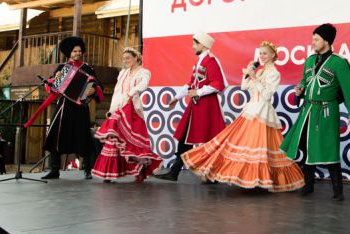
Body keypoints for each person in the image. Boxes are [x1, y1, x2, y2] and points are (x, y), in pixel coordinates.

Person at [182, 41, 304, 192]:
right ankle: (248, 178)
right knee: (241, 143)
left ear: (273, 55)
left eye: (265, 53)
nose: (262, 56)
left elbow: (267, 96)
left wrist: (255, 78)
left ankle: (259, 180)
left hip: (262, 112)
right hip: (251, 110)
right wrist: (248, 74)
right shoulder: (259, 71)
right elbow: (244, 87)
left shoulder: (274, 73)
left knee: (258, 146)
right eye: (260, 53)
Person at [280, 23, 350, 201]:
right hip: (308, 110)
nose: (313, 42)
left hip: (327, 111)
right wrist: (300, 89)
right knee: (308, 147)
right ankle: (308, 186)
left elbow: (348, 89)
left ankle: (338, 191)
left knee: (330, 148)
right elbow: (305, 81)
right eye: (313, 39)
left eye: (316, 39)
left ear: (326, 41)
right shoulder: (310, 60)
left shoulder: (339, 62)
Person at [155, 31, 227, 182]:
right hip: (197, 105)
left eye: (195, 43)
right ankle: (175, 172)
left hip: (206, 106)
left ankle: (211, 174)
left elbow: (218, 84)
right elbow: (191, 83)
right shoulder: (200, 61)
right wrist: (176, 98)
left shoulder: (211, 61)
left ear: (203, 45)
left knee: (207, 139)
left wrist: (198, 92)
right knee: (185, 137)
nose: (193, 46)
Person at [92, 47, 161, 182]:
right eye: (124, 59)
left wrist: (130, 93)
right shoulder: (122, 73)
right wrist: (111, 110)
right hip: (120, 107)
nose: (125, 61)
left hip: (132, 109)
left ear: (136, 58)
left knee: (133, 143)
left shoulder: (144, 72)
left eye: (128, 58)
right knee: (113, 137)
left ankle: (140, 171)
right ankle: (109, 173)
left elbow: (143, 85)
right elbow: (117, 92)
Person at [41, 36, 103, 180]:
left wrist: (93, 90)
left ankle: (87, 169)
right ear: (69, 52)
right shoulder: (62, 68)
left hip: (80, 107)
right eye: (75, 51)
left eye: (79, 51)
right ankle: (54, 170)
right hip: (64, 107)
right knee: (56, 136)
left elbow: (98, 86)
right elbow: (52, 88)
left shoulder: (87, 69)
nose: (77, 53)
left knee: (83, 137)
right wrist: (55, 79)